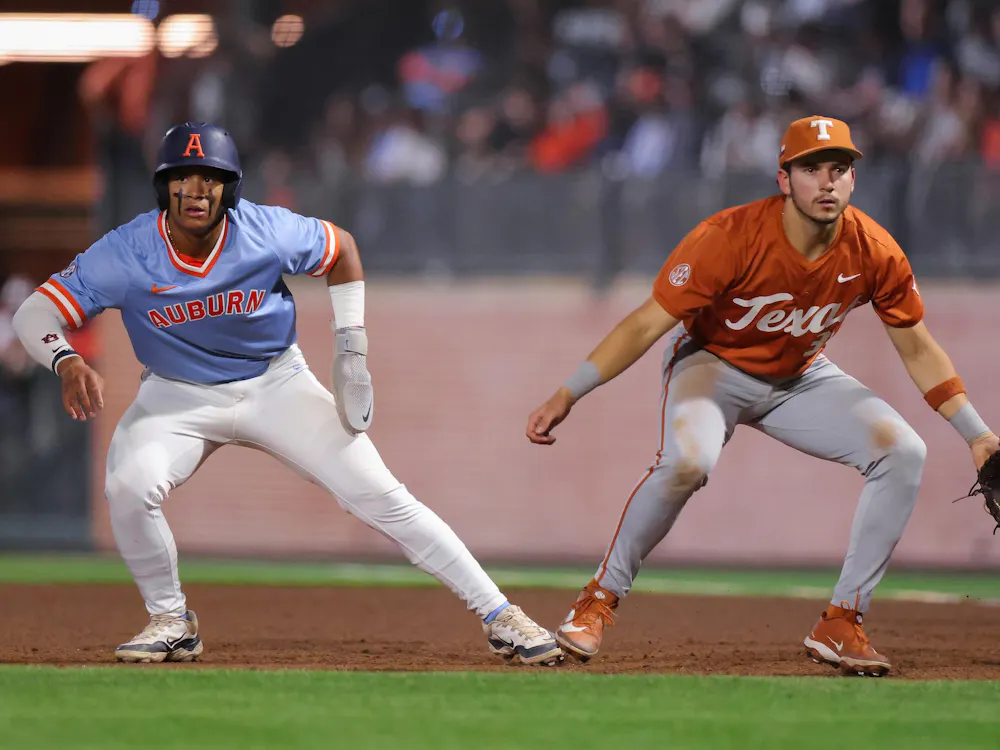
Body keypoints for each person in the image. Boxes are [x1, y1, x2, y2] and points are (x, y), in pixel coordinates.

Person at [12, 122, 562, 667]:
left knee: (380, 493)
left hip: (275, 381)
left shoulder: (264, 230)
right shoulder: (128, 249)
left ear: (231, 188)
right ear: (164, 186)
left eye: (212, 179)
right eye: (184, 178)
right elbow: (35, 311)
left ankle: (500, 614)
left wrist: (351, 347)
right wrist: (65, 358)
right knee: (128, 485)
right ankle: (172, 620)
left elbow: (341, 250)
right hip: (175, 396)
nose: (197, 191)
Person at [525, 115, 998, 677]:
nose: (827, 182)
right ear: (784, 179)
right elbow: (645, 324)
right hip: (711, 366)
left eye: (840, 169)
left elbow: (918, 349)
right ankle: (598, 600)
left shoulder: (873, 250)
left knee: (904, 453)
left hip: (800, 376)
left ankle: (842, 621)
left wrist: (978, 434)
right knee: (688, 462)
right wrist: (569, 391)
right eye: (812, 169)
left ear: (853, 179)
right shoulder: (730, 237)